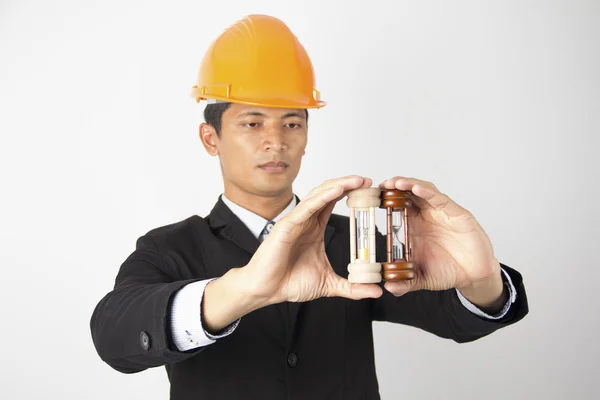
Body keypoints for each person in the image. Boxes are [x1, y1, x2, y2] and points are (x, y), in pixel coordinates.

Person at [90, 14, 529, 400]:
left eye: (292, 123)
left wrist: (483, 281)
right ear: (211, 138)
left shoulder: (355, 240)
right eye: (252, 122)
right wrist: (241, 291)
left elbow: (456, 319)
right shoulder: (171, 247)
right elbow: (115, 336)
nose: (275, 141)